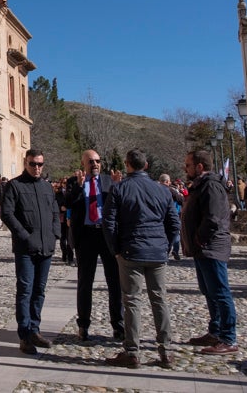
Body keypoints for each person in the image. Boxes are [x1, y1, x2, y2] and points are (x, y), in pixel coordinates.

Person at [103, 149, 179, 369]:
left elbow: (109, 223)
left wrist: (115, 249)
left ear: (127, 165)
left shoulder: (119, 189)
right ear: (146, 165)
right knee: (159, 299)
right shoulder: (163, 191)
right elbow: (174, 223)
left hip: (131, 250)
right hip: (156, 251)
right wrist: (166, 247)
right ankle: (166, 351)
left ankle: (132, 351)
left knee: (132, 301)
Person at [1, 149, 60, 355]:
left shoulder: (46, 187)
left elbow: (54, 210)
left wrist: (55, 233)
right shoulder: (14, 186)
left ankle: (35, 330)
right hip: (25, 248)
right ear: (25, 163)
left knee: (39, 290)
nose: (37, 168)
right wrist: (24, 236)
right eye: (33, 164)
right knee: (25, 290)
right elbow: (7, 214)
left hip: (46, 247)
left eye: (40, 164)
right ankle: (24, 335)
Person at [182, 150, 239, 355]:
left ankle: (228, 337)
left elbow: (214, 218)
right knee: (209, 291)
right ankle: (215, 330)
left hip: (211, 247)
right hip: (202, 249)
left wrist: (199, 237)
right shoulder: (202, 184)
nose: (185, 169)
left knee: (220, 293)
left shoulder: (211, 185)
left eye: (188, 165)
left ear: (199, 166)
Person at [65, 149, 124, 341]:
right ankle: (83, 325)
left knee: (114, 282)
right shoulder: (75, 181)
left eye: (98, 161)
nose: (95, 164)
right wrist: (78, 188)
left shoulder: (109, 181)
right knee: (85, 283)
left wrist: (118, 186)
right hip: (86, 237)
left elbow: (121, 205)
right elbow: (67, 204)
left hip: (106, 235)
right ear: (83, 163)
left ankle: (118, 324)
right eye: (91, 161)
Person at [159, 174, 183, 260]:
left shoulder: (154, 189)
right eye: (169, 182)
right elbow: (181, 200)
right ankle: (171, 250)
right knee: (175, 233)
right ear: (167, 182)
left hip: (159, 217)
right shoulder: (170, 190)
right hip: (170, 216)